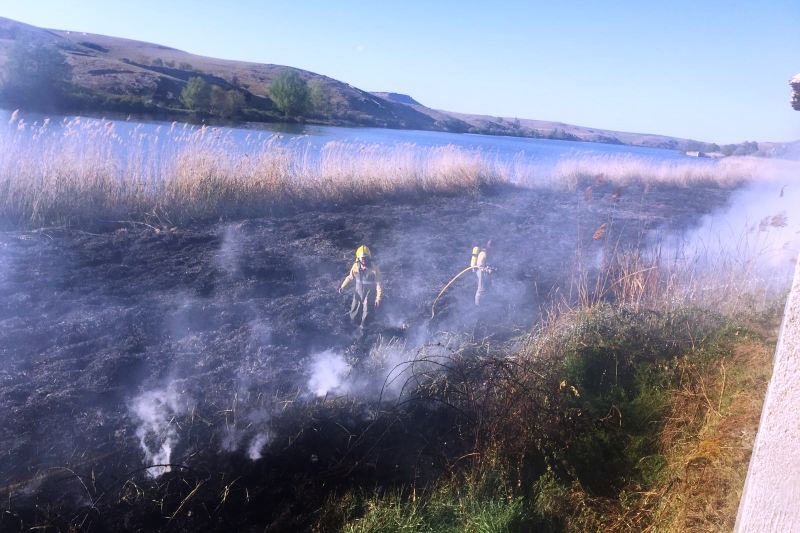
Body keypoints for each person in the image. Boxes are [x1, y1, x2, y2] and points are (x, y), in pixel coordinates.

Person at [338, 245, 382, 328]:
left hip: (369, 294)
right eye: (362, 258)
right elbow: (350, 277)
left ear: (369, 258)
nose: (364, 260)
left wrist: (378, 298)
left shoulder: (374, 269)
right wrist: (343, 287)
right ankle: (352, 325)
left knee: (367, 311)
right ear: (358, 258)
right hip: (358, 292)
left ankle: (363, 328)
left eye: (366, 258)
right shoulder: (355, 266)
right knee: (354, 309)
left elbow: (378, 284)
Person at [470, 240, 492, 306]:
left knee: (485, 288)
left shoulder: (485, 253)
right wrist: (487, 270)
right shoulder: (483, 253)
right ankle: (477, 305)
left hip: (481, 272)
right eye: (490, 245)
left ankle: (483, 302)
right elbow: (479, 266)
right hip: (479, 272)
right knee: (480, 289)